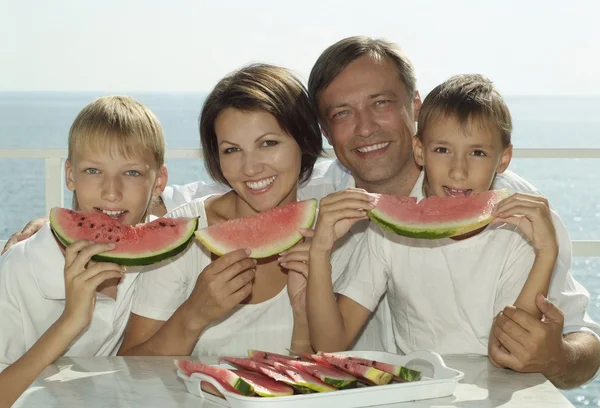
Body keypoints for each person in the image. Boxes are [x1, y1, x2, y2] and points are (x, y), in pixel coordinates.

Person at [5, 36, 600, 387]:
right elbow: (190, 206)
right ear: (325, 133)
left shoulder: (514, 208)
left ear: (415, 112)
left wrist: (555, 356)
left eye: (382, 104)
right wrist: (72, 220)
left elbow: (585, 346)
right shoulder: (327, 198)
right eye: (341, 112)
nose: (364, 127)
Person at [118, 63, 386, 357]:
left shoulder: (341, 231)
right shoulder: (184, 235)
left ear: (303, 141)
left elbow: (325, 367)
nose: (250, 168)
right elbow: (130, 367)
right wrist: (193, 315)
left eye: (268, 143)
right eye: (232, 150)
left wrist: (303, 317)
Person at [306, 72, 559, 364]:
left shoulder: (517, 236)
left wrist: (546, 252)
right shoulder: (388, 232)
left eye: (477, 152)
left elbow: (508, 353)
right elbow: (329, 343)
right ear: (420, 151)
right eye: (442, 150)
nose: (458, 171)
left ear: (503, 159)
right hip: (419, 393)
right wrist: (320, 251)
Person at [0, 95, 168, 408]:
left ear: (158, 182)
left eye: (131, 173)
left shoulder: (166, 256)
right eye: (93, 170)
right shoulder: (20, 267)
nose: (111, 191)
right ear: (70, 176)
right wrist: (71, 321)